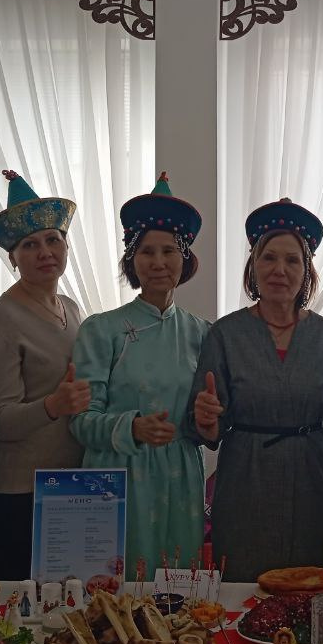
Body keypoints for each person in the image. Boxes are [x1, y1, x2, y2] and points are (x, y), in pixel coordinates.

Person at [187, 198, 323, 581]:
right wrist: (206, 418)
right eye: (269, 258)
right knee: (243, 585)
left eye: (292, 260)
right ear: (253, 266)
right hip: (245, 480)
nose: (280, 270)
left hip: (314, 480)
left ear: (306, 271)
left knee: (308, 587)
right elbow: (208, 431)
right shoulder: (225, 335)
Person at [72, 173, 210, 571]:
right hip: (117, 476)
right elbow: (80, 422)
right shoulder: (101, 330)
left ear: (185, 259)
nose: (158, 262)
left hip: (181, 479)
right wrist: (132, 428)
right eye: (147, 251)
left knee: (176, 589)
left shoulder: (204, 333)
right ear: (132, 260)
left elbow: (210, 420)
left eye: (169, 251)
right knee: (114, 591)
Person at [0, 170, 89, 579]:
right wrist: (53, 405)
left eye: (53, 240)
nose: (45, 252)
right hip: (19, 493)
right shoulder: (1, 320)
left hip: (71, 483)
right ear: (13, 258)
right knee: (22, 605)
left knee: (70, 604)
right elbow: (0, 419)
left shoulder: (72, 309)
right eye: (30, 245)